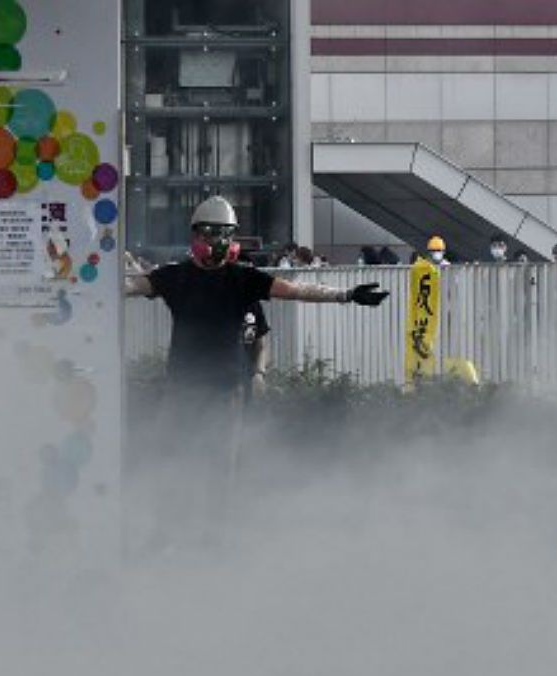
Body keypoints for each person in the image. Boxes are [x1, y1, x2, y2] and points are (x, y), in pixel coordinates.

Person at [125, 196, 387, 548]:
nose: (218, 241)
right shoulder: (174, 277)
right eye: (210, 232)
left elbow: (297, 290)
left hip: (225, 392)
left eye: (226, 233)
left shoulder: (244, 279)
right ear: (195, 234)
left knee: (220, 466)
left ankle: (212, 540)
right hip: (183, 389)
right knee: (171, 458)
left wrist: (347, 294)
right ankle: (164, 533)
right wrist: (75, 277)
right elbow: (128, 286)